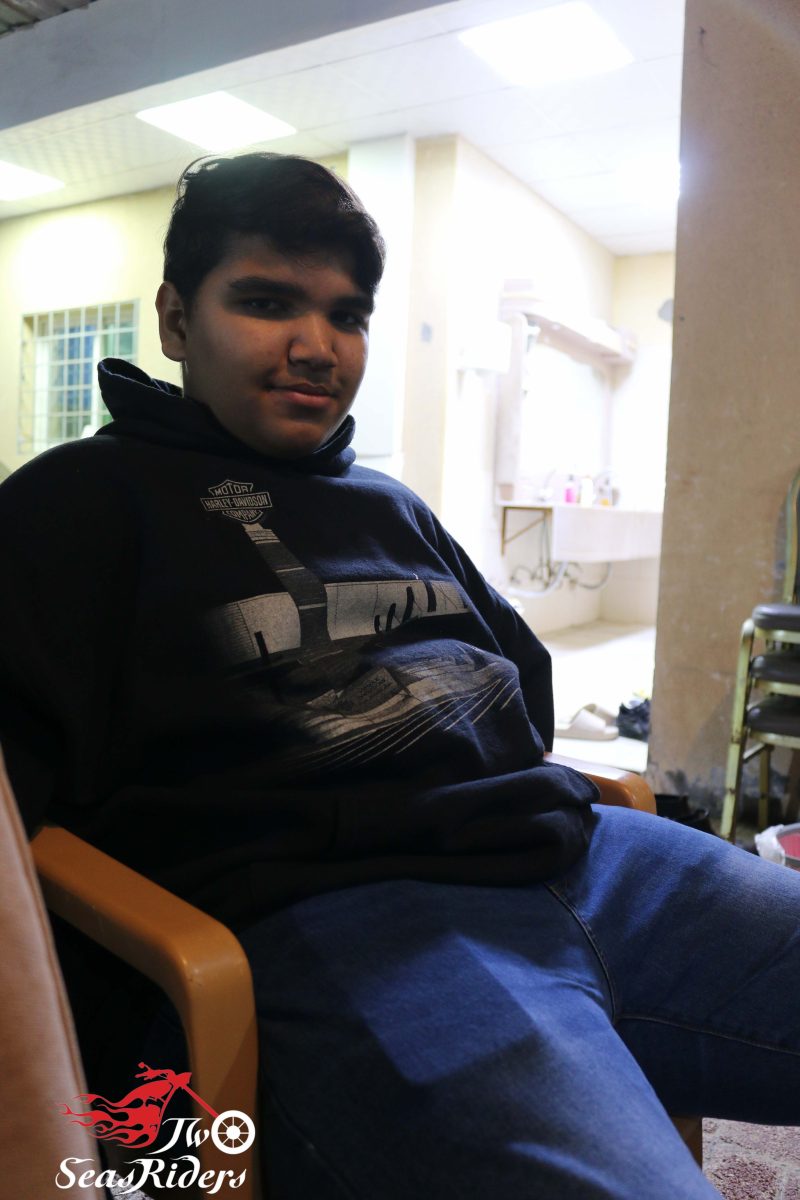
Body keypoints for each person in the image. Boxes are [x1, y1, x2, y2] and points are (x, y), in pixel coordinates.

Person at [1, 152, 798, 1200]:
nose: (316, 346)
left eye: (347, 315)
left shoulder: (390, 506)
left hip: (593, 860)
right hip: (354, 922)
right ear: (176, 319)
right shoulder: (71, 506)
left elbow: (519, 688)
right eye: (266, 302)